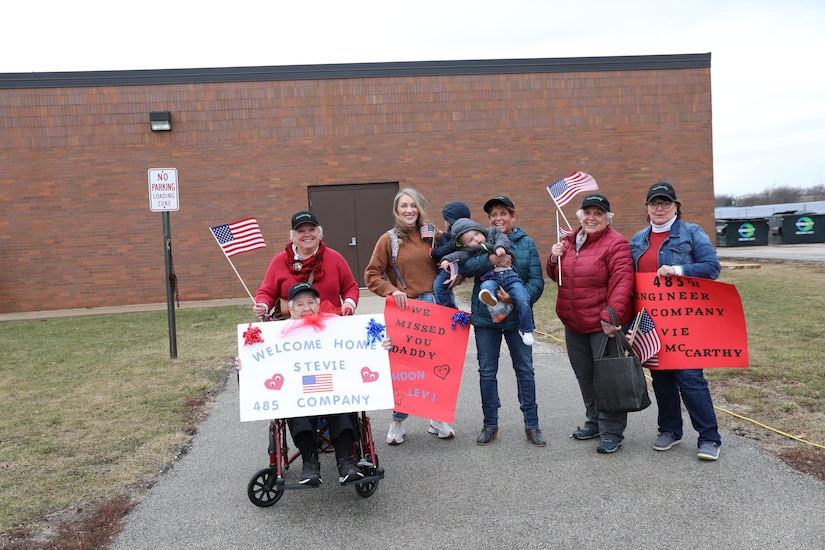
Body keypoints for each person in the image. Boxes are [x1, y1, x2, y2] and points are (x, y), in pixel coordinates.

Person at [237, 283, 366, 485]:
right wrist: (244, 364)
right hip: (298, 392)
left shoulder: (337, 326)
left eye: (310, 302)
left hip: (331, 387)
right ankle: (310, 463)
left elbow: (362, 350)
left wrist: (381, 344)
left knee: (343, 401)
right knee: (295, 407)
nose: (306, 307)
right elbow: (262, 364)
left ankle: (346, 461)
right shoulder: (278, 334)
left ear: (319, 304)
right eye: (300, 304)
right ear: (291, 310)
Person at [630, 182, 723, 461]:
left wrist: (678, 269)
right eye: (654, 203)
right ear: (647, 208)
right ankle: (670, 429)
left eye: (665, 203)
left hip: (686, 318)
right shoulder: (637, 239)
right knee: (661, 376)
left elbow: (712, 268)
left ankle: (709, 437)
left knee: (690, 376)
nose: (660, 208)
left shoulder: (691, 233)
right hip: (651, 318)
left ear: (675, 206)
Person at [364, 187, 456, 444]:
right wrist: (392, 291)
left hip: (438, 305)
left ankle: (436, 417)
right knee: (407, 368)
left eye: (413, 205)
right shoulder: (389, 240)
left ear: (420, 208)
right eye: (404, 206)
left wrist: (453, 273)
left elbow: (452, 260)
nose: (409, 210)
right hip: (409, 310)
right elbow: (371, 275)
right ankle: (397, 421)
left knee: (439, 366)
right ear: (396, 210)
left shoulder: (433, 235)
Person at [547, 193, 635, 454]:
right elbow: (557, 276)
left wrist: (611, 316)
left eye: (598, 214)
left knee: (608, 379)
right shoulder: (569, 240)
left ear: (607, 218)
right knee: (585, 377)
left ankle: (611, 432)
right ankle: (594, 422)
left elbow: (622, 282)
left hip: (602, 324)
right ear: (580, 216)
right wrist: (553, 259)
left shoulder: (616, 244)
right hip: (574, 323)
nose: (592, 218)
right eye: (588, 212)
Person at [459, 196, 546, 447]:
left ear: (513, 216)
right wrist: (491, 260)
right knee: (487, 372)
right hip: (487, 319)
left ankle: (532, 424)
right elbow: (466, 268)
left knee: (525, 371)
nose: (498, 218)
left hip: (517, 319)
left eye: (503, 213)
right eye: (493, 214)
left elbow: (537, 282)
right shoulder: (481, 240)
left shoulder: (526, 243)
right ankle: (490, 424)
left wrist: (518, 298)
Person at [441, 217, 535, 345]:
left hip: (509, 276)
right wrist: (446, 260)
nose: (477, 239)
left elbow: (502, 239)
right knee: (486, 286)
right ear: (465, 245)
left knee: (522, 297)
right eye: (471, 240)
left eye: (476, 234)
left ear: (480, 229)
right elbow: (459, 256)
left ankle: (526, 330)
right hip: (492, 278)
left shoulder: (492, 233)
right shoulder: (470, 250)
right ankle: (489, 297)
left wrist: (500, 248)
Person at [254, 210, 359, 320]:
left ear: (319, 233)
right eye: (301, 231)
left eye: (312, 230)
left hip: (331, 325)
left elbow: (350, 287)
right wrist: (263, 305)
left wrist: (349, 303)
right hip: (294, 328)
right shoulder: (279, 261)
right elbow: (266, 292)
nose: (307, 234)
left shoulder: (335, 258)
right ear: (293, 236)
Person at [430, 201, 471, 308]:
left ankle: (449, 311)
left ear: (450, 222)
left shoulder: (457, 237)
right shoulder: (453, 235)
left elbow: (446, 249)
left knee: (439, 287)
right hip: (448, 266)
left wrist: (433, 252)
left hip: (451, 266)